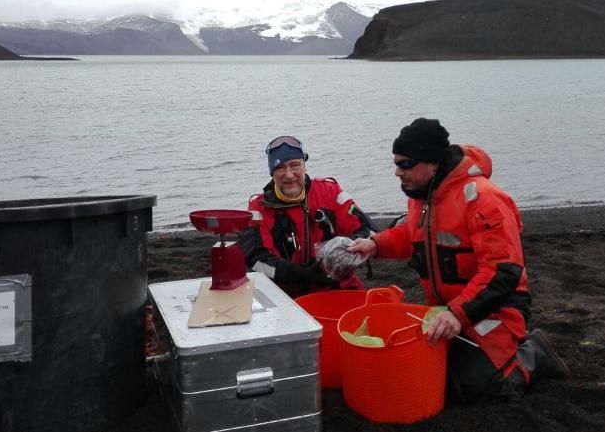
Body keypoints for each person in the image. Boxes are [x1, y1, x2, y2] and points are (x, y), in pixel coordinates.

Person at [348, 118, 570, 402]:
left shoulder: (484, 200)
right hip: (446, 310)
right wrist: (375, 244)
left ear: (433, 161)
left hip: (496, 308)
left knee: (476, 387)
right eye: (396, 163)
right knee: (427, 375)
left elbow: (503, 271)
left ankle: (535, 352)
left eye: (405, 164)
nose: (397, 172)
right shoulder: (422, 195)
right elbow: (410, 234)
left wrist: (457, 314)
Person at [238, 135, 376, 298]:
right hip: (286, 294)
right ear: (272, 173)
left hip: (337, 285)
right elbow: (256, 261)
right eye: (280, 168)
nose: (289, 175)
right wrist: (300, 273)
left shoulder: (330, 192)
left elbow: (368, 230)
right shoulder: (258, 209)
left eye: (295, 165)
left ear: (305, 166)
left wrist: (342, 253)